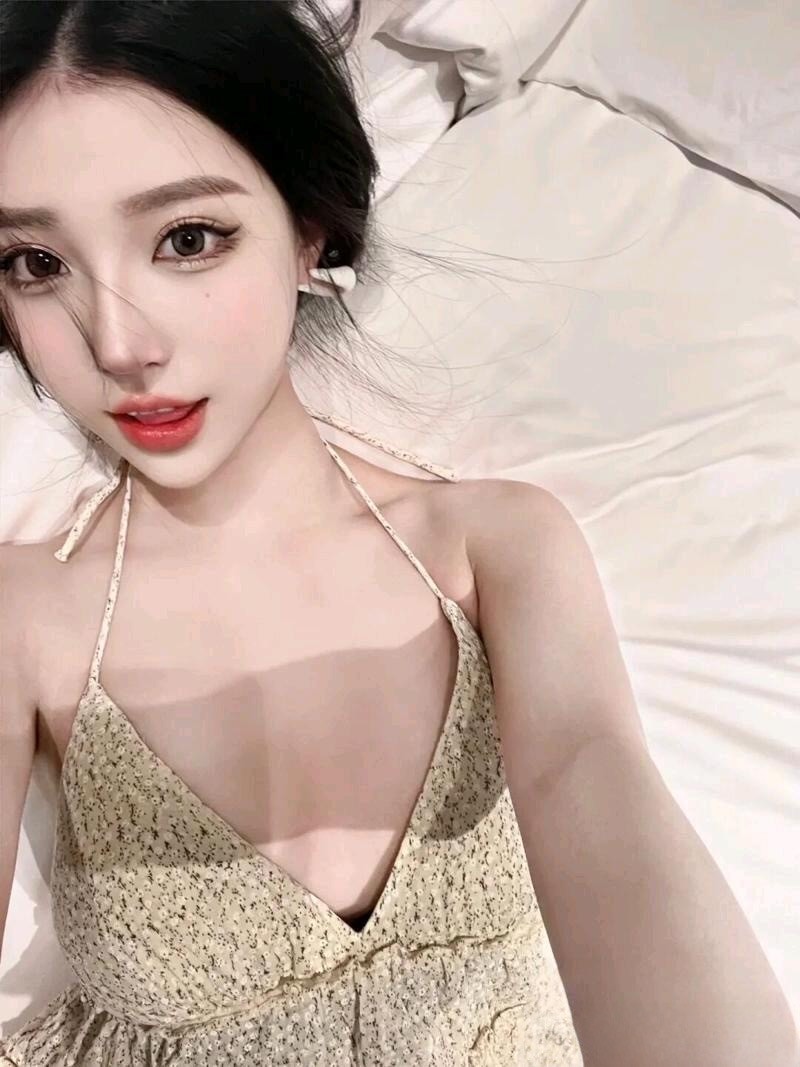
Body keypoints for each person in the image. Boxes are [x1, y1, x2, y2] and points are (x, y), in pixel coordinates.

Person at [0, 3, 796, 1066]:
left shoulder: (491, 548)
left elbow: (594, 786)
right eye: (34, 263)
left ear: (308, 233)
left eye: (187, 239)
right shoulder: (24, 612)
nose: (118, 343)